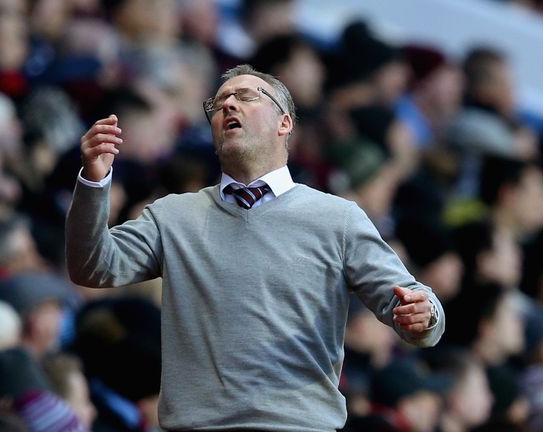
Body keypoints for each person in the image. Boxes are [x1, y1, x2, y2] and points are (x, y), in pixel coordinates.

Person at [66, 64, 445, 431]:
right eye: (218, 103)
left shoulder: (338, 218)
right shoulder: (173, 215)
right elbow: (93, 267)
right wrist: (93, 184)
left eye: (246, 96)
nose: (228, 105)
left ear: (285, 124)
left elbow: (410, 303)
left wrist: (423, 315)